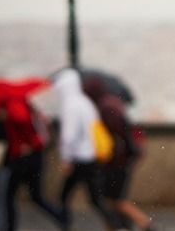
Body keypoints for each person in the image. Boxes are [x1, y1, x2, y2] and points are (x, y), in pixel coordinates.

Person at [0, 78, 67, 230]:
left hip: (23, 160)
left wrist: (27, 145)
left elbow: (20, 121)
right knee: (32, 197)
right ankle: (61, 218)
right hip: (30, 157)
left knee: (12, 196)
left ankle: (60, 218)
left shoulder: (14, 108)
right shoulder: (24, 104)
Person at [82, 75, 155, 231]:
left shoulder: (106, 107)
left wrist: (112, 156)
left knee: (115, 200)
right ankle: (127, 225)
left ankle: (145, 224)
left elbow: (117, 135)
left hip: (117, 161)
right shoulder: (111, 103)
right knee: (112, 199)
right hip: (121, 159)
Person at [53, 68, 120, 230]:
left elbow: (69, 135)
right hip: (90, 156)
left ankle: (65, 224)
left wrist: (66, 158)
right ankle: (117, 225)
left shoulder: (71, 105)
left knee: (68, 196)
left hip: (80, 158)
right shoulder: (84, 101)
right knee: (91, 198)